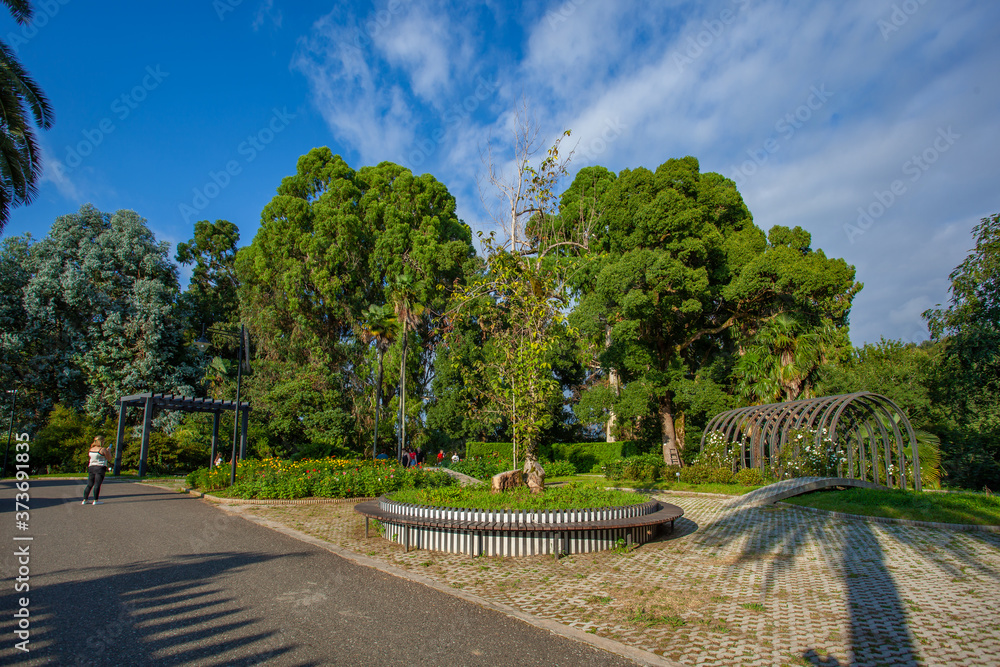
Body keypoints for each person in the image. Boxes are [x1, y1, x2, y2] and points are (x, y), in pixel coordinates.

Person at [82, 436, 112, 505]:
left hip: (91, 467)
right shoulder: (102, 449)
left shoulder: (91, 449)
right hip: (100, 467)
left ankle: (85, 499)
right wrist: (109, 451)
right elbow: (109, 458)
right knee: (97, 484)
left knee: (90, 484)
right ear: (101, 441)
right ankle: (95, 500)